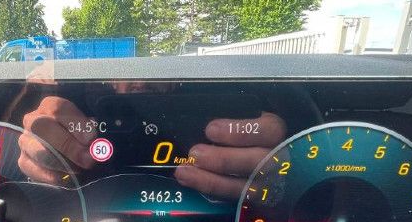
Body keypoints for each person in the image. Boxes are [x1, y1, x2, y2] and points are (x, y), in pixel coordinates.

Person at [17, 84, 287, 200]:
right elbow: (32, 155)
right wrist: (39, 157)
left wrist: (282, 172)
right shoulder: (76, 107)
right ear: (109, 79)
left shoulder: (219, 104)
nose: (140, 81)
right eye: (126, 66)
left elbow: (280, 175)